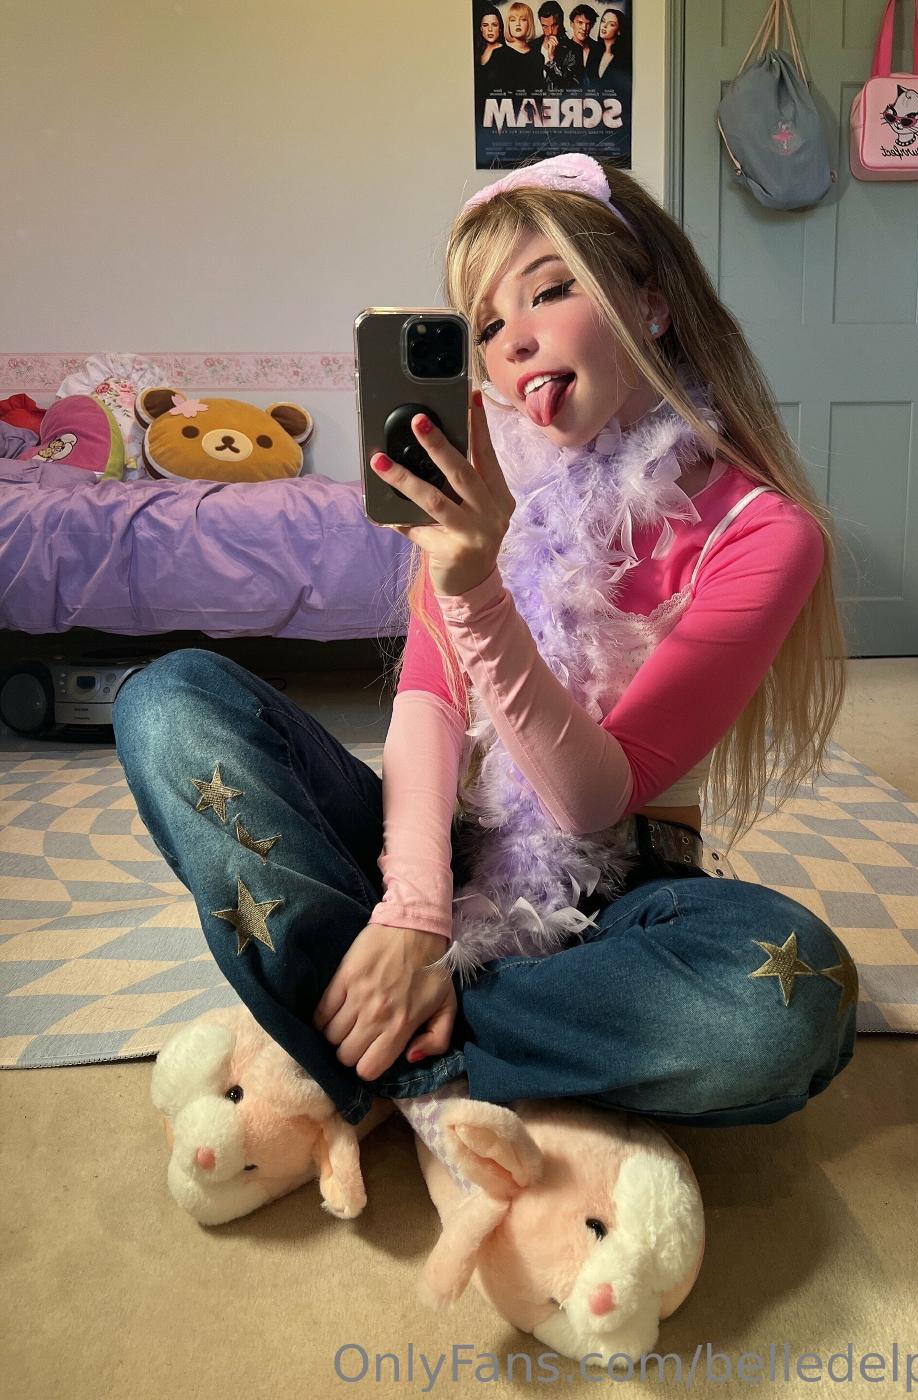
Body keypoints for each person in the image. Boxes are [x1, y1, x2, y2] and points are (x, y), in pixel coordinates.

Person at [112, 154, 856, 1158]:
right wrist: (417, 913)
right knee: (171, 698)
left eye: (549, 291)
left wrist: (473, 588)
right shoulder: (487, 482)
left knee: (790, 998)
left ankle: (365, 1039)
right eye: (489, 325)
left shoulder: (765, 533)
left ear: (650, 301)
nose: (516, 342)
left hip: (618, 896)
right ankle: (414, 1009)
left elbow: (593, 799)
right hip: (434, 844)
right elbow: (427, 701)